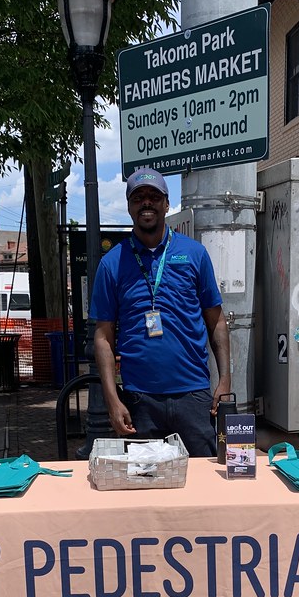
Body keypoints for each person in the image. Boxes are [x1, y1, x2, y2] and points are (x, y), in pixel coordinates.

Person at [90, 168, 231, 456]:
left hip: (193, 396)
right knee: (145, 487)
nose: (147, 203)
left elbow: (216, 322)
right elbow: (103, 337)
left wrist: (225, 379)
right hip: (140, 401)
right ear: (129, 206)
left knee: (202, 486)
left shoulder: (194, 254)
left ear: (167, 204)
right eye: (138, 197)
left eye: (154, 196)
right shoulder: (112, 264)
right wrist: (112, 399)